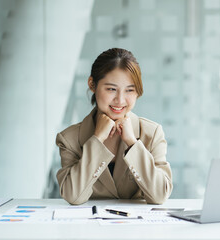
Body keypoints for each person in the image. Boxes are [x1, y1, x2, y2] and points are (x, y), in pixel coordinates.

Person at [56, 48, 173, 205]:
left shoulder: (151, 134)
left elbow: (160, 195)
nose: (120, 100)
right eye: (111, 89)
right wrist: (96, 140)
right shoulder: (69, 139)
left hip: (137, 228)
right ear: (92, 84)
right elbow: (73, 196)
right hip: (89, 227)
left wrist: (132, 143)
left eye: (129, 90)